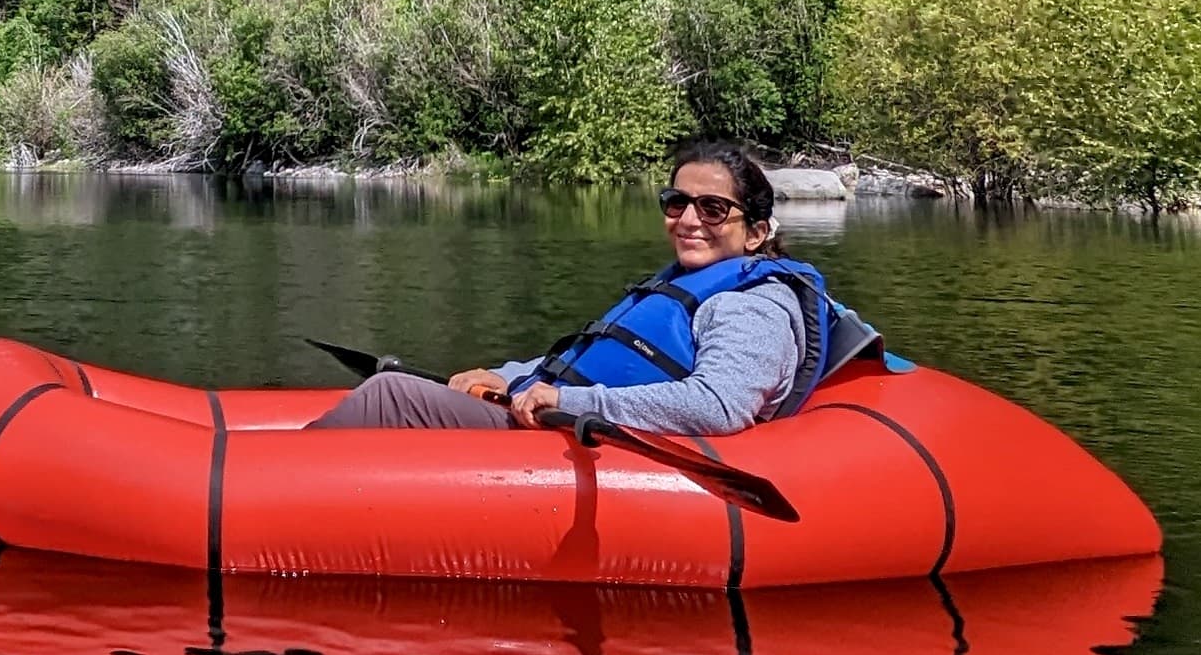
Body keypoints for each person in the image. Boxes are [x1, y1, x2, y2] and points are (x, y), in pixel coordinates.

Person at [309, 141, 866, 435]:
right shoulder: (683, 283)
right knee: (397, 386)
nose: (689, 219)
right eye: (677, 203)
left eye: (714, 208)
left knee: (391, 394)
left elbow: (718, 406)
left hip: (577, 438)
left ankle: (252, 485)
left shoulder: (754, 307)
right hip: (550, 421)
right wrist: (504, 376)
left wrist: (568, 400)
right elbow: (592, 358)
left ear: (757, 232)